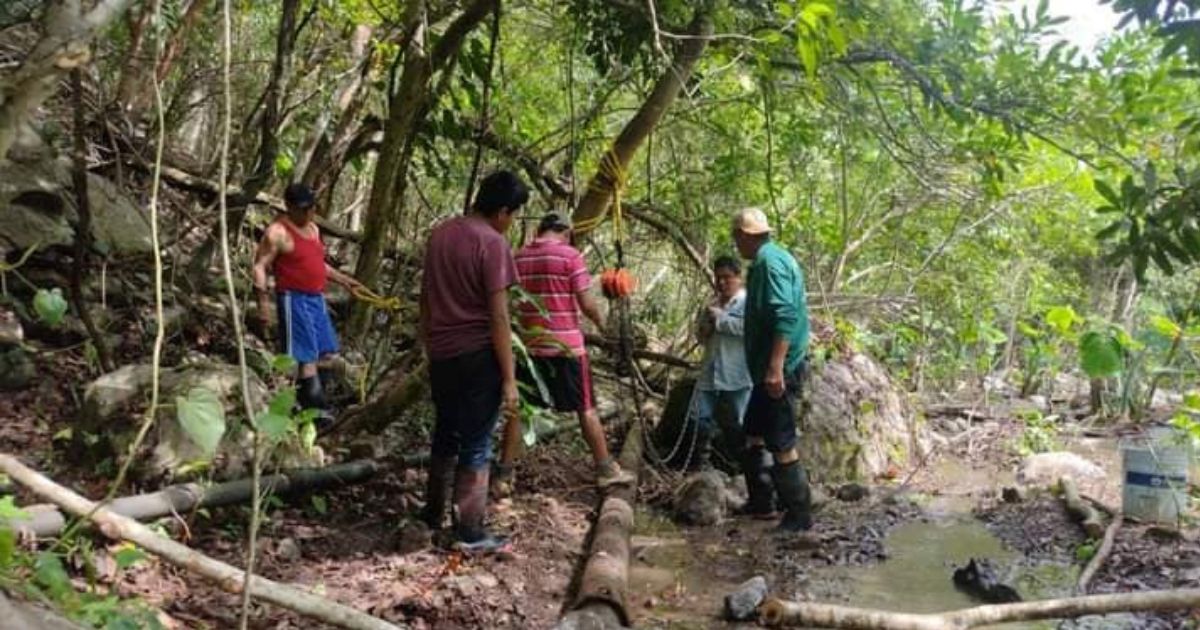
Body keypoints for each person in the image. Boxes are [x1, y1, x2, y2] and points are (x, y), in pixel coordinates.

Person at [418, 170, 528, 552]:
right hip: (478, 354)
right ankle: (469, 530)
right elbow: (499, 315)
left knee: (445, 432)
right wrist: (509, 377)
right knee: (477, 441)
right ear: (502, 211)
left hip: (442, 351)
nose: (511, 223)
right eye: (513, 215)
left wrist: (428, 342)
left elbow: (426, 297)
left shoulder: (441, 234)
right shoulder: (493, 243)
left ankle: (432, 513)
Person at [494, 213, 635, 494]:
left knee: (519, 412)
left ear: (540, 229)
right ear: (567, 233)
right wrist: (603, 326)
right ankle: (606, 470)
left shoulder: (518, 256)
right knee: (586, 408)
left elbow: (509, 300)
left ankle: (503, 476)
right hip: (567, 348)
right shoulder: (571, 256)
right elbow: (587, 304)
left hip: (530, 346)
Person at [253, 183, 364, 425]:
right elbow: (260, 266)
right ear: (289, 207)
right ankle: (316, 414)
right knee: (307, 358)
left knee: (326, 353)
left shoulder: (313, 229)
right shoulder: (277, 232)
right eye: (303, 209)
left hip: (316, 299)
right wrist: (263, 304)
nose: (309, 213)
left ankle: (314, 404)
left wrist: (345, 281)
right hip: (293, 299)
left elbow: (316, 262)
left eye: (312, 208)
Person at [731, 207, 813, 533]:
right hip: (765, 369)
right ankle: (762, 502)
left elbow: (785, 315)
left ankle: (799, 514)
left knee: (781, 441)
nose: (735, 243)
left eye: (736, 236)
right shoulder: (769, 259)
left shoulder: (769, 262)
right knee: (753, 431)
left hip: (780, 368)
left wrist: (776, 368)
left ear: (745, 235)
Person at [689, 255, 753, 471]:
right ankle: (701, 464)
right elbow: (701, 337)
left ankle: (741, 469)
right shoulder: (713, 303)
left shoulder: (748, 303)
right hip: (710, 370)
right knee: (699, 416)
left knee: (739, 421)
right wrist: (706, 326)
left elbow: (750, 329)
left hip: (738, 373)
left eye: (727, 277)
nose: (722, 282)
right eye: (718, 278)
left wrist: (721, 319)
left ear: (739, 278)